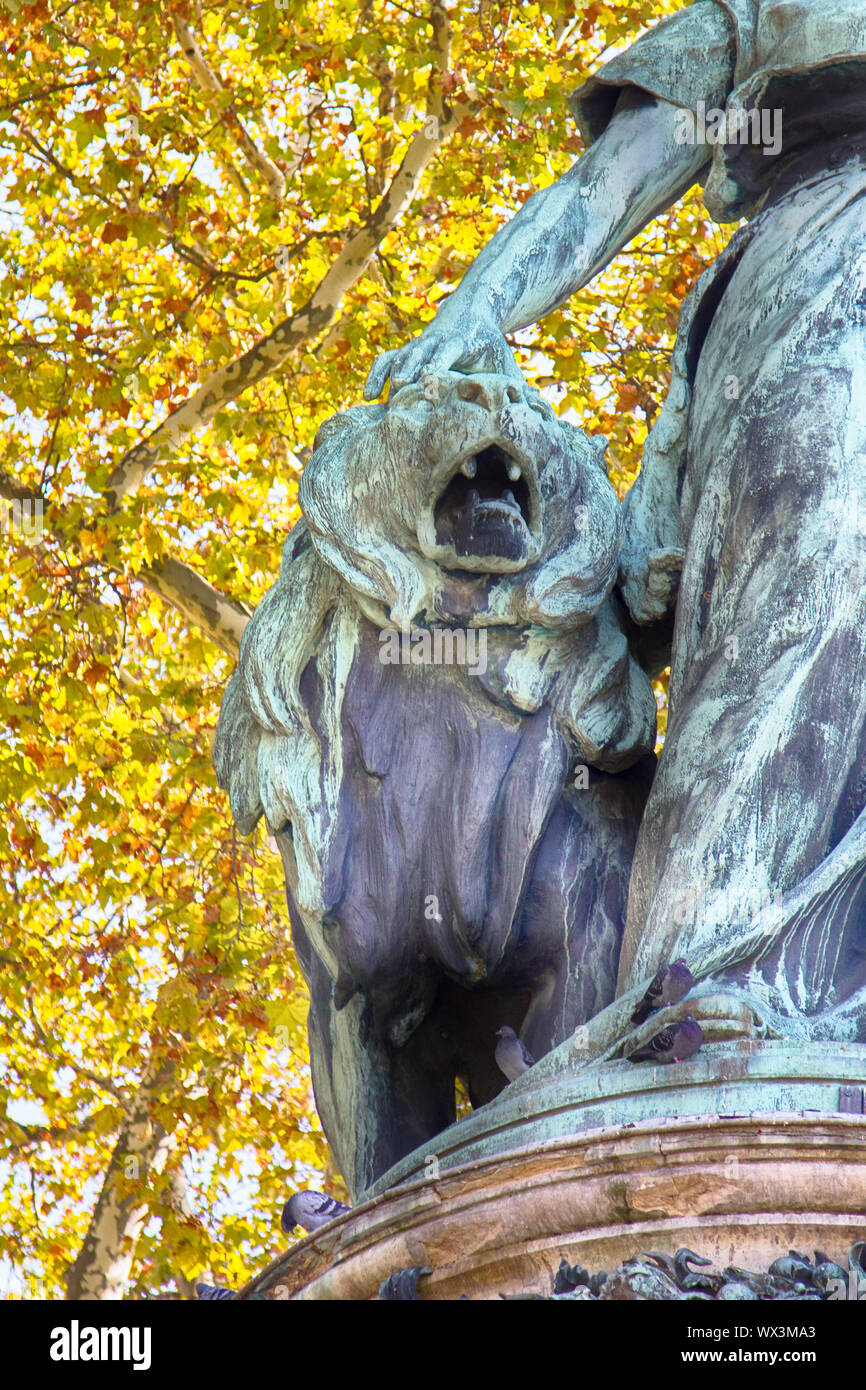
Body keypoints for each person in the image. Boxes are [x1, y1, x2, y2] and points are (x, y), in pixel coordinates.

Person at [365, 1, 866, 1040]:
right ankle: (703, 969)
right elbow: (610, 182)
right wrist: (476, 309)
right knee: (801, 607)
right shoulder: (766, 11)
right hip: (827, 273)